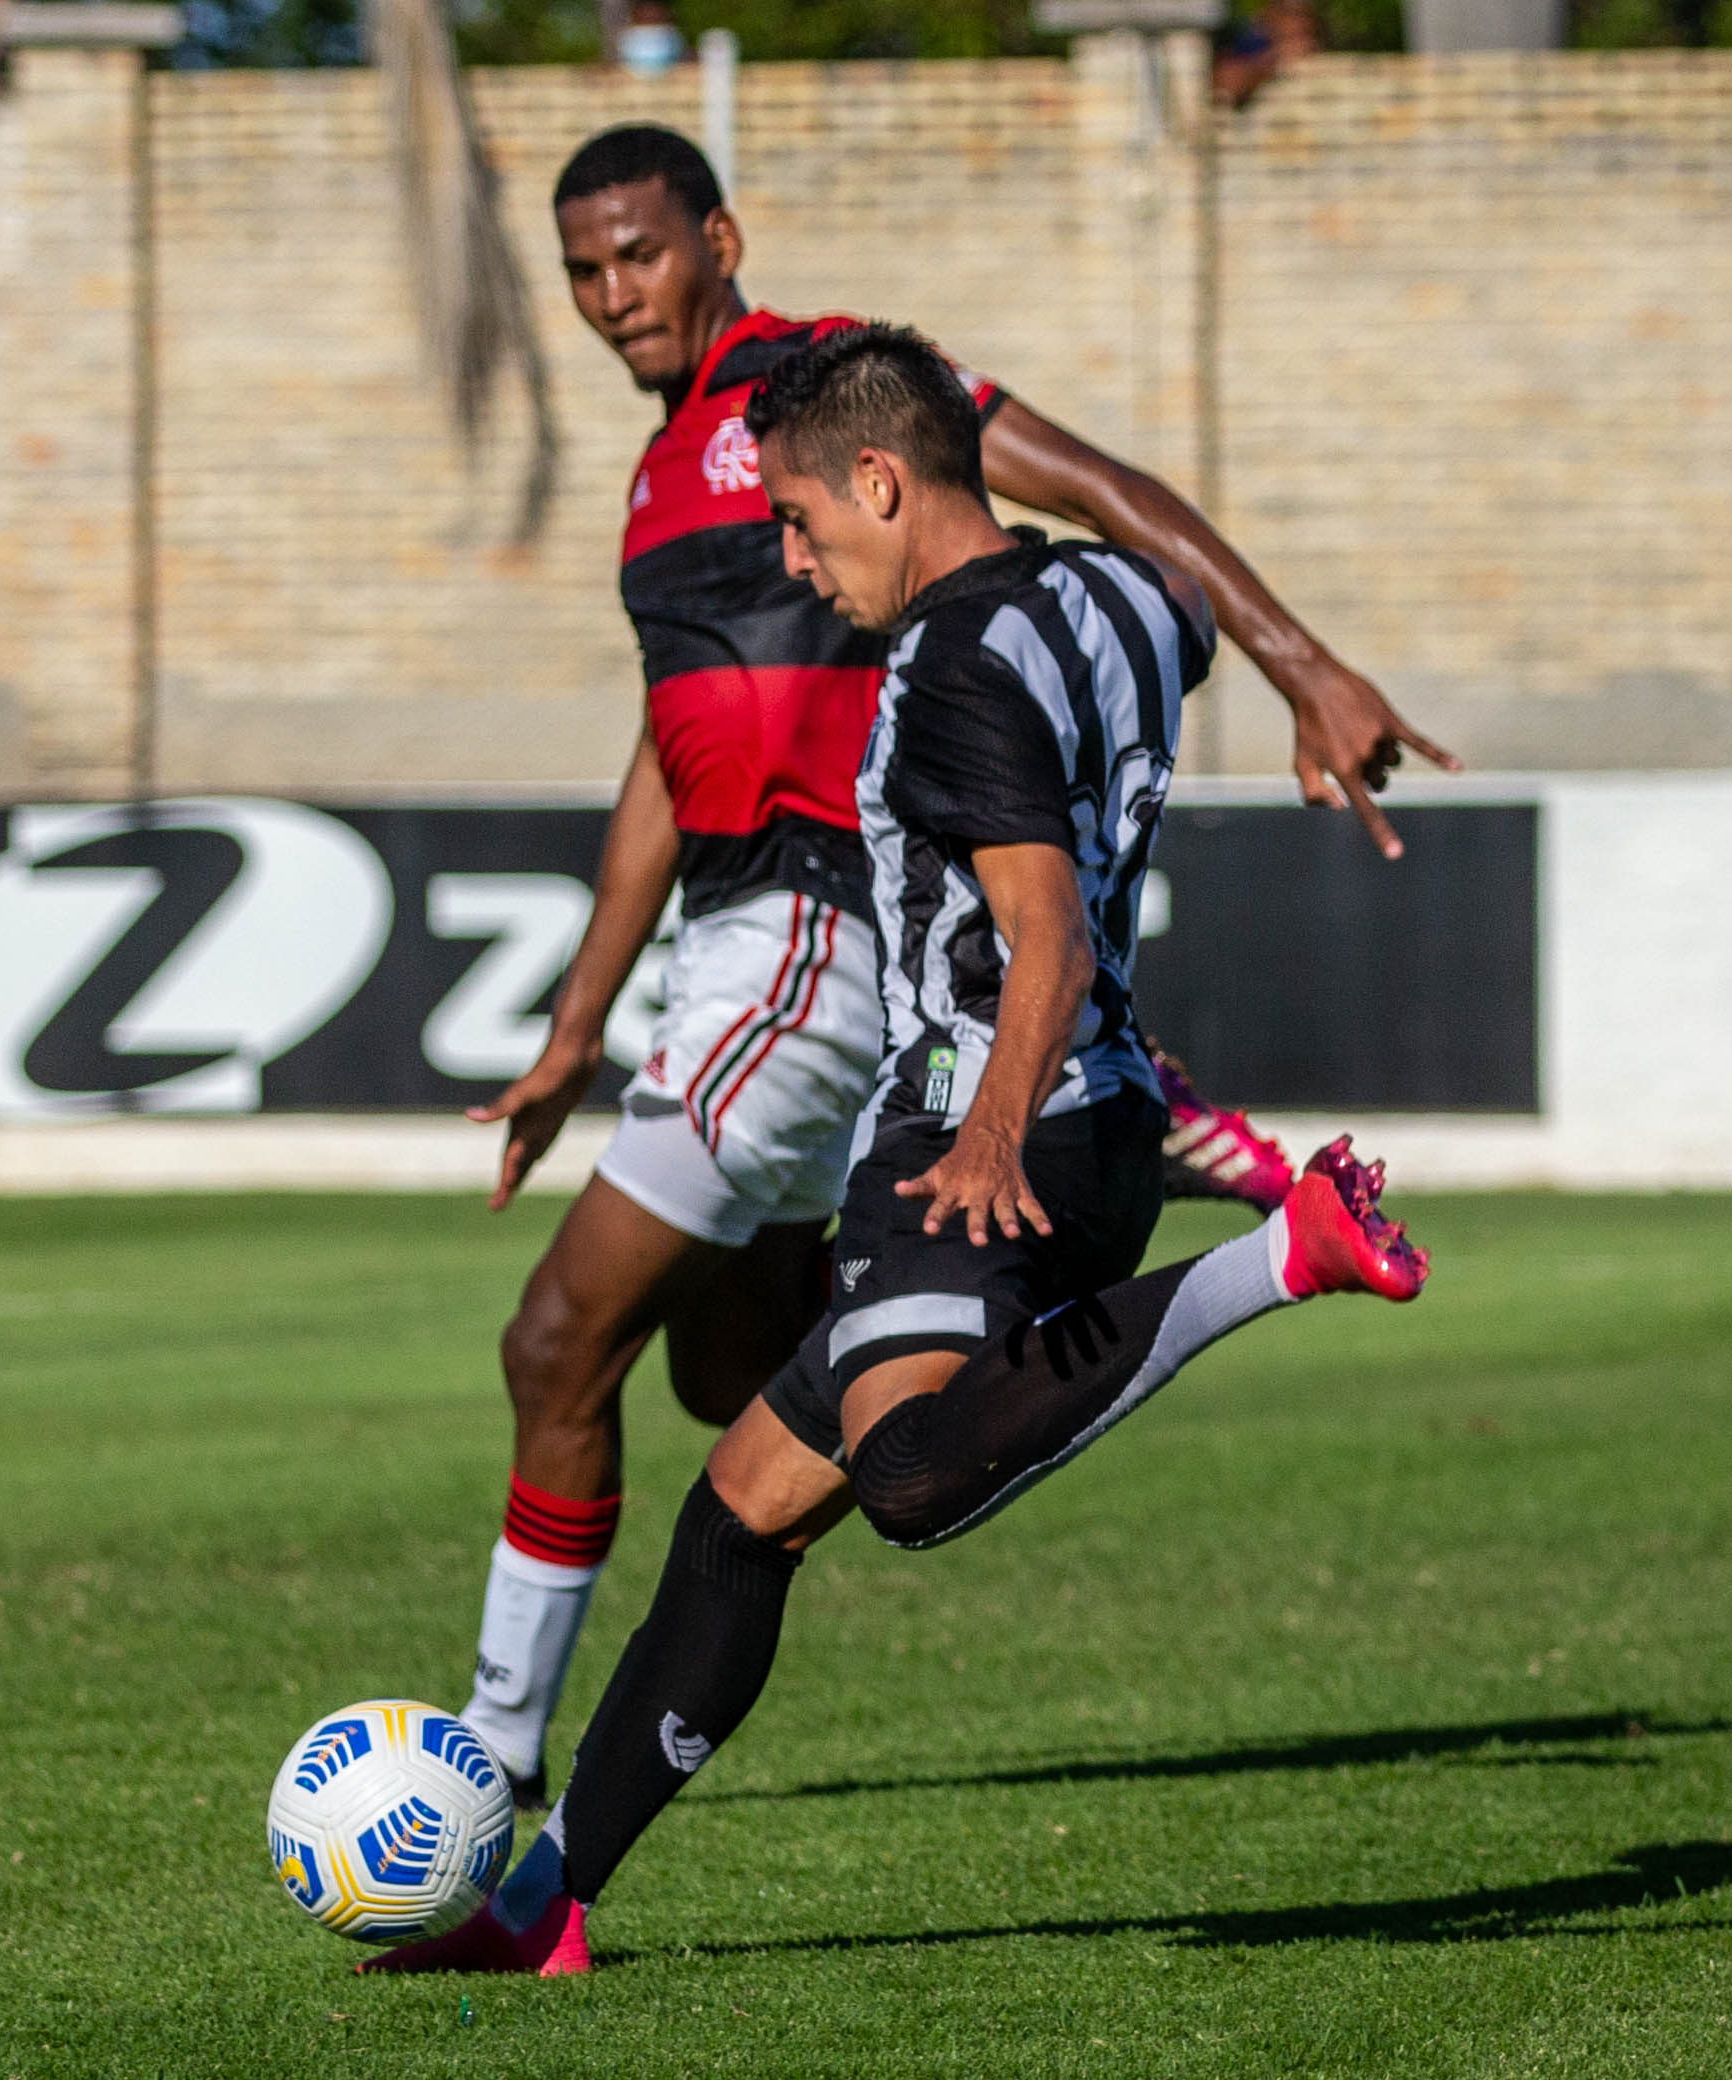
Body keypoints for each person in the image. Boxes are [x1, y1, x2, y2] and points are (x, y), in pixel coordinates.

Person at [378, 324, 1434, 1977]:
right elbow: (1168, 560)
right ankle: (548, 1903)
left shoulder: (948, 664)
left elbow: (1045, 924)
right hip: (1086, 1122)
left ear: (883, 482)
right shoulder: (1120, 598)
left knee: (914, 1475)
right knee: (742, 1511)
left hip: (973, 1133)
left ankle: (1278, 1251)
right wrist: (1305, 666)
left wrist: (990, 1131)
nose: (796, 561)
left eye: (804, 522)